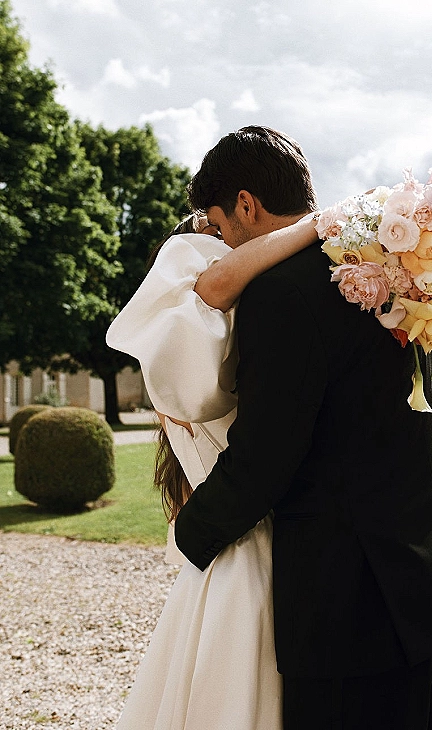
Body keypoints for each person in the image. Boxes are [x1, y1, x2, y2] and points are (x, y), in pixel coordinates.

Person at [174, 125, 432, 730]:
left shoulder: (280, 294)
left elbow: (266, 457)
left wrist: (192, 532)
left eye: (218, 225)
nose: (220, 242)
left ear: (246, 204)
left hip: (356, 619)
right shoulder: (378, 269)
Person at [106, 204, 320, 730]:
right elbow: (217, 284)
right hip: (248, 548)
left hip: (226, 538)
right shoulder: (194, 361)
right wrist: (318, 223)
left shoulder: (197, 361)